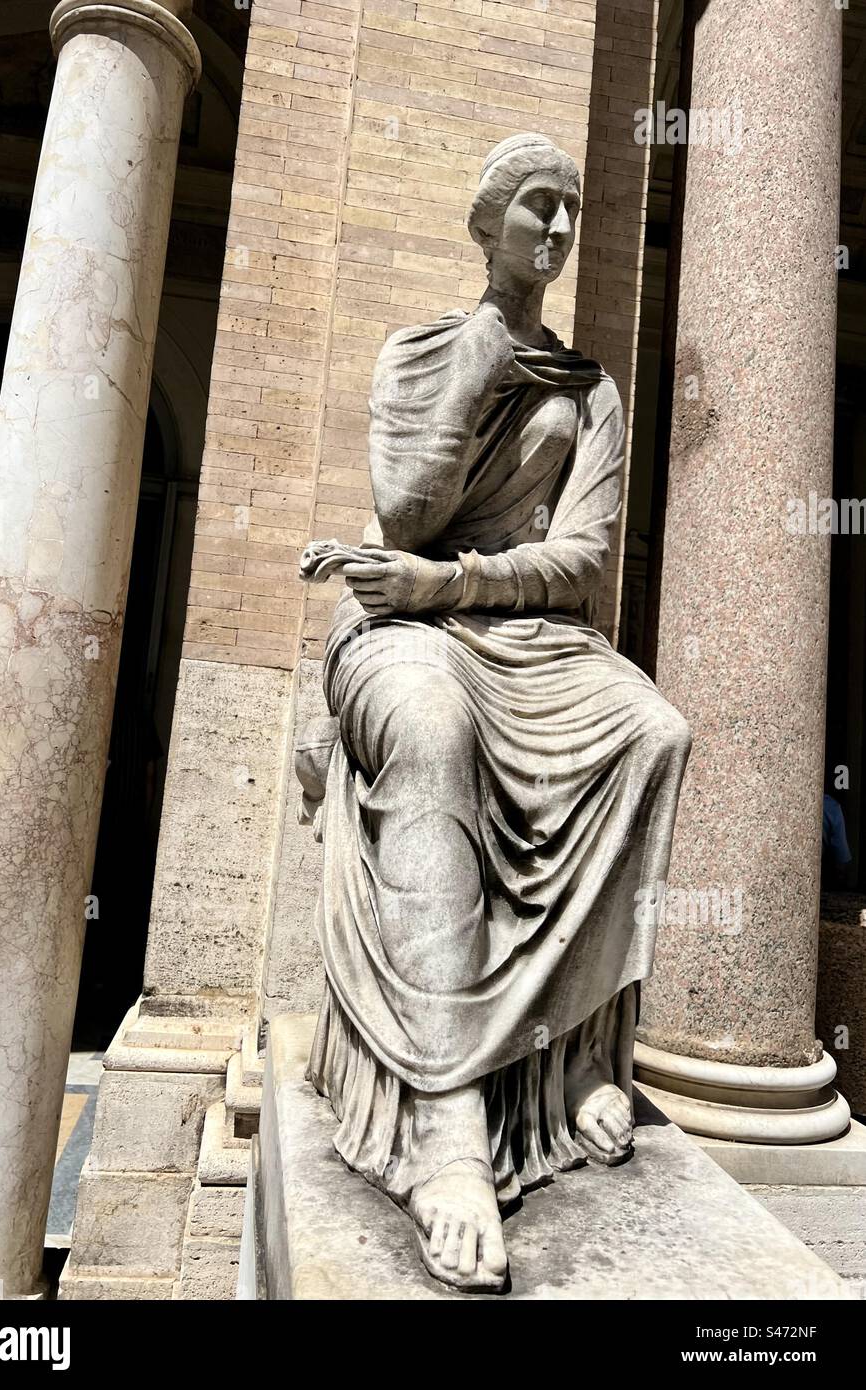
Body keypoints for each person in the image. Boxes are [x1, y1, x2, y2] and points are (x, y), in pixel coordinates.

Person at [299, 133, 692, 1291]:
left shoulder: (593, 391)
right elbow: (404, 509)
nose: (559, 231)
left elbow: (578, 561)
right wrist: (483, 354)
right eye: (536, 208)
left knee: (651, 730)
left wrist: (456, 583)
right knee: (430, 732)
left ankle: (562, 1046)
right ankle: (447, 1122)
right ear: (487, 225)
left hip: (517, 629)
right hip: (400, 632)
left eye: (571, 210)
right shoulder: (418, 353)